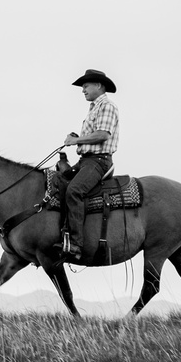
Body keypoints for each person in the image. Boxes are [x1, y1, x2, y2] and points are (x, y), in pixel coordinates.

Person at [61, 69, 119, 260]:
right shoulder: (94, 108)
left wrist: (75, 141)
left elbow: (103, 134)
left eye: (86, 86)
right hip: (86, 161)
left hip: (99, 161)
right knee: (56, 183)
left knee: (74, 191)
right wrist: (78, 139)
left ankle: (76, 244)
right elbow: (93, 135)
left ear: (99, 86)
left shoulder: (107, 106)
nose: (83, 90)